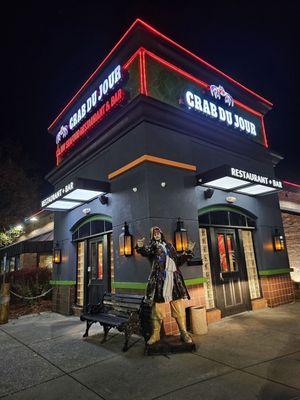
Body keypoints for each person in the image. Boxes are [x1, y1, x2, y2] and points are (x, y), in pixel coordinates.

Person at [136, 226, 195, 345]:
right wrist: (141, 247)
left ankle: (183, 332)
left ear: (161, 233)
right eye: (154, 233)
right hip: (159, 280)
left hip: (173, 278)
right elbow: (146, 252)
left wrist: (187, 252)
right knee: (157, 308)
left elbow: (178, 261)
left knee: (178, 307)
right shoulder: (152, 247)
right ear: (152, 236)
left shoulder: (170, 246)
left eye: (158, 232)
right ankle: (156, 334)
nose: (157, 234)